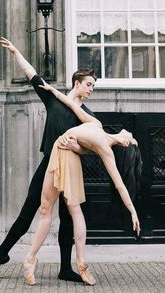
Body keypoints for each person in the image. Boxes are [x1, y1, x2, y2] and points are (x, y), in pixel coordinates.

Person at [0, 37, 97, 282]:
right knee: (29, 211)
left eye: (93, 86)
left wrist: (77, 149)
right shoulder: (53, 99)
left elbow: (90, 148)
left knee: (68, 220)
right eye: (89, 84)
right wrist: (16, 51)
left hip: (70, 167)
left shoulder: (87, 115)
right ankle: (1, 253)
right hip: (48, 164)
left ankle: (65, 269)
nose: (91, 89)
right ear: (77, 83)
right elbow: (32, 74)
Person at [22, 80, 141, 286]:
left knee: (72, 210)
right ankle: (31, 260)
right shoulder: (97, 126)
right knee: (45, 210)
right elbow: (73, 106)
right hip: (61, 150)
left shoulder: (106, 150)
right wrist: (52, 90)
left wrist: (133, 211)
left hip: (66, 155)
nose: (130, 135)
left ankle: (81, 263)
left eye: (131, 139)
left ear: (124, 144)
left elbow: (120, 184)